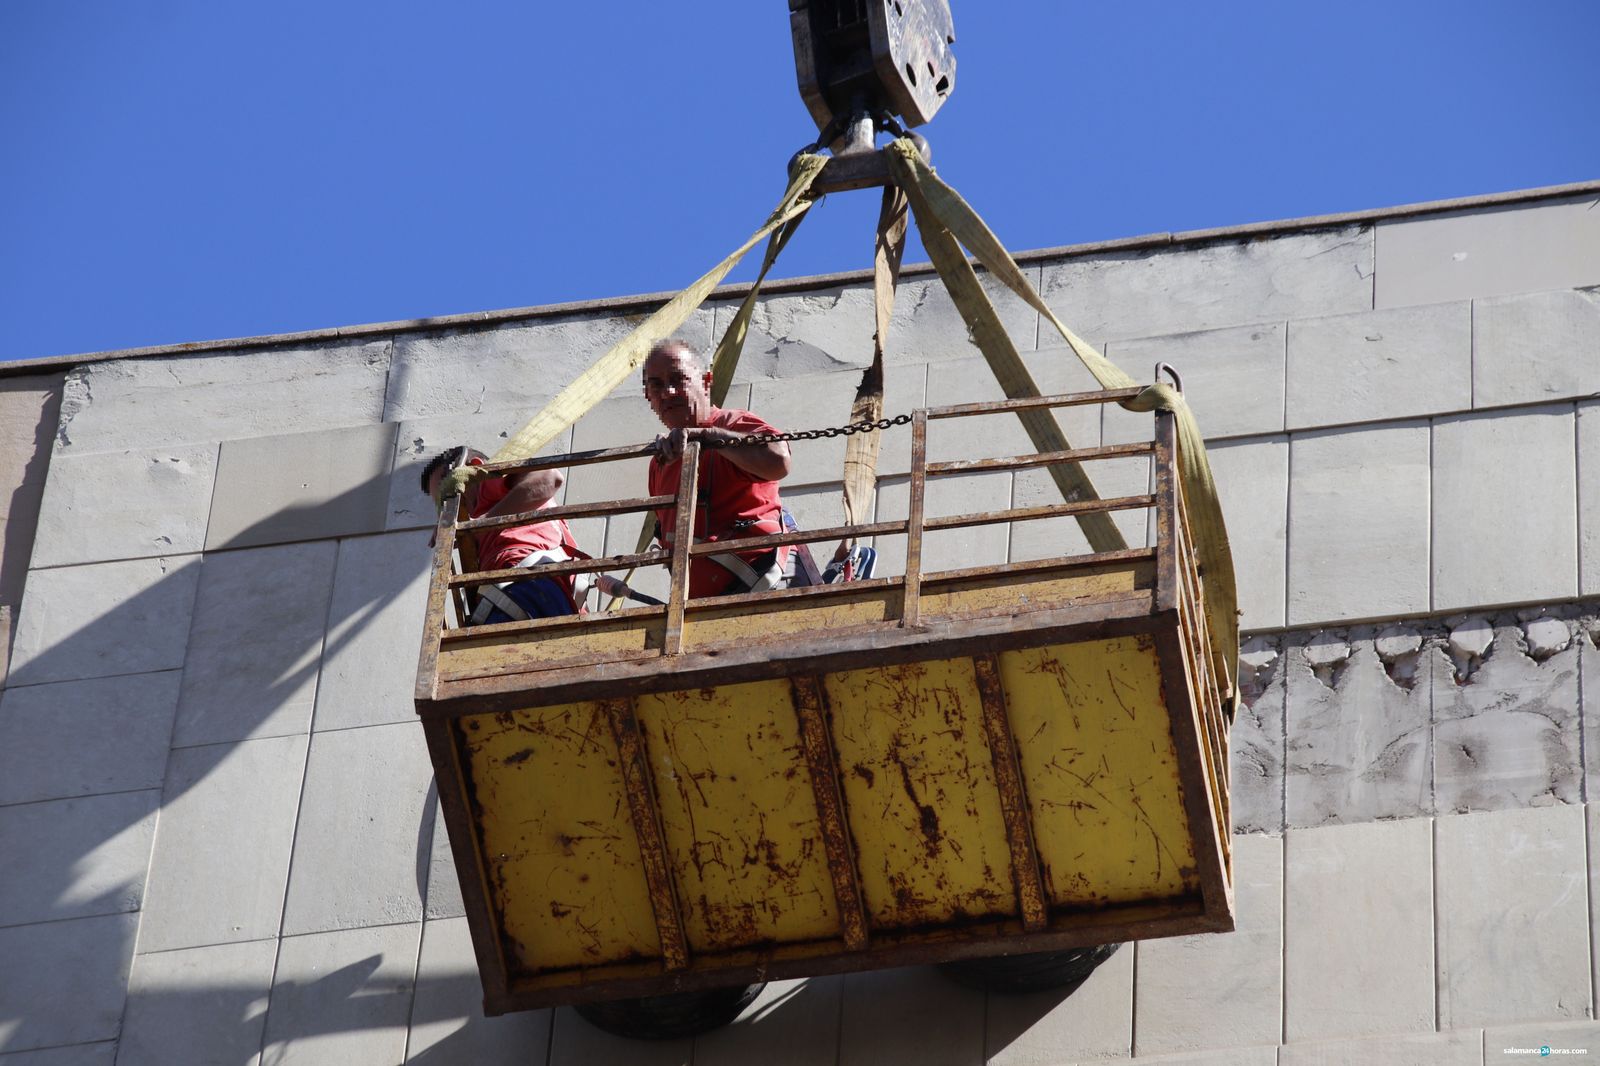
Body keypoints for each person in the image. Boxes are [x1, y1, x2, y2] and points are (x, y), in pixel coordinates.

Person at [642, 338, 793, 597]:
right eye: (656, 386)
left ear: (706, 381)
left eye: (678, 379)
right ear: (648, 397)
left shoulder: (733, 423)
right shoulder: (660, 464)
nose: (667, 393)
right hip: (706, 608)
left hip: (766, 589)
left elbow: (778, 461)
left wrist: (708, 436)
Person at [420, 446, 590, 623]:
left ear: (475, 467)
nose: (448, 504)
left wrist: (480, 523)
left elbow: (550, 478)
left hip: (526, 584)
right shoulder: (487, 513)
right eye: (441, 502)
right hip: (535, 593)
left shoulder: (487, 480)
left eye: (448, 491)